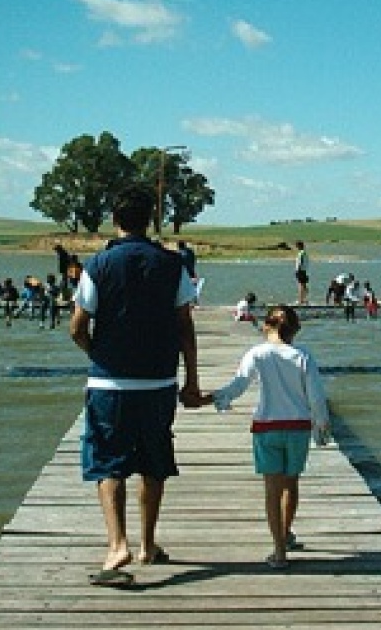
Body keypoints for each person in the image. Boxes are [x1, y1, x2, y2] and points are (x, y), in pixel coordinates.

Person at [70, 186, 201, 588]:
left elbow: (77, 325)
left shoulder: (99, 264)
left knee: (108, 460)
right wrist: (192, 380)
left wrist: (99, 353)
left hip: (110, 380)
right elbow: (184, 326)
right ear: (151, 220)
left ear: (116, 219)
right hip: (159, 379)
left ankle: (117, 544)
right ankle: (147, 544)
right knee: (153, 461)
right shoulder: (172, 264)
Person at [184, 305, 331, 569]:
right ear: (295, 329)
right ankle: (286, 534)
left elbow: (238, 386)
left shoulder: (257, 354)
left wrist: (208, 399)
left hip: (266, 428)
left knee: (272, 490)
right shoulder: (303, 355)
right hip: (298, 427)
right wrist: (321, 426)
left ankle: (278, 551)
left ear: (266, 326)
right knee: (291, 484)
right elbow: (316, 397)